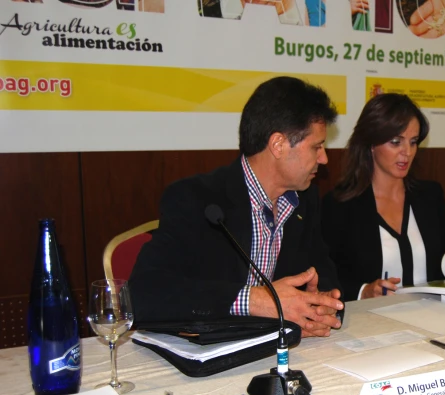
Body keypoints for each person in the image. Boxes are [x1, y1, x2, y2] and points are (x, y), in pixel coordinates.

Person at [130, 76, 344, 338]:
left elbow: (324, 272)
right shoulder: (197, 200)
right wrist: (256, 300)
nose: (324, 158)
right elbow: (145, 294)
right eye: (317, 147)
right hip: (209, 358)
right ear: (278, 145)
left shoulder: (305, 199)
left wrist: (322, 306)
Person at [321, 94, 445, 301]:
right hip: (372, 322)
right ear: (371, 143)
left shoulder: (430, 196)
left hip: (433, 315)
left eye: (413, 142)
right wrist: (363, 291)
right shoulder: (339, 205)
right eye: (395, 142)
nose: (407, 152)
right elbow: (325, 278)